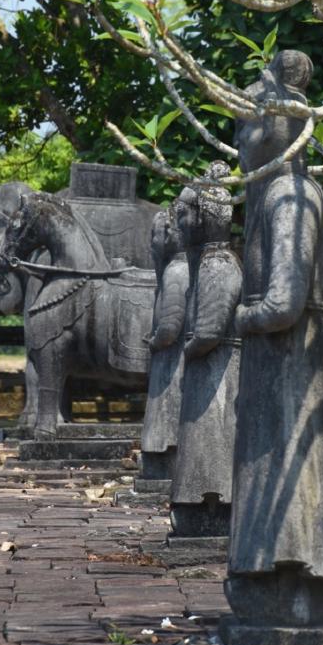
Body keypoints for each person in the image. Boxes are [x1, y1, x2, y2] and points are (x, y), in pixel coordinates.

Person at [224, 51, 323, 634]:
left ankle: (293, 580)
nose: (242, 132)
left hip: (289, 367)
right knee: (276, 471)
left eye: (253, 120)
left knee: (290, 478)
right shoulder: (273, 195)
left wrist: (238, 316)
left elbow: (283, 304)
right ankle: (271, 576)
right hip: (277, 369)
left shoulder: (290, 198)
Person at [170, 163, 242, 538]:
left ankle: (211, 503)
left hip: (217, 375)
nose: (179, 224)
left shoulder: (217, 264)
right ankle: (201, 500)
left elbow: (211, 330)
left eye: (183, 215)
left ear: (202, 217)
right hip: (208, 373)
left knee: (211, 442)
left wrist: (190, 349)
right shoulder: (209, 263)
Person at [140, 206, 189, 481]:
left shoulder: (177, 272)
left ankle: (165, 464)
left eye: (154, 235)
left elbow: (170, 325)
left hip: (173, 361)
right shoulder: (178, 269)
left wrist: (156, 342)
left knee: (167, 418)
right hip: (170, 360)